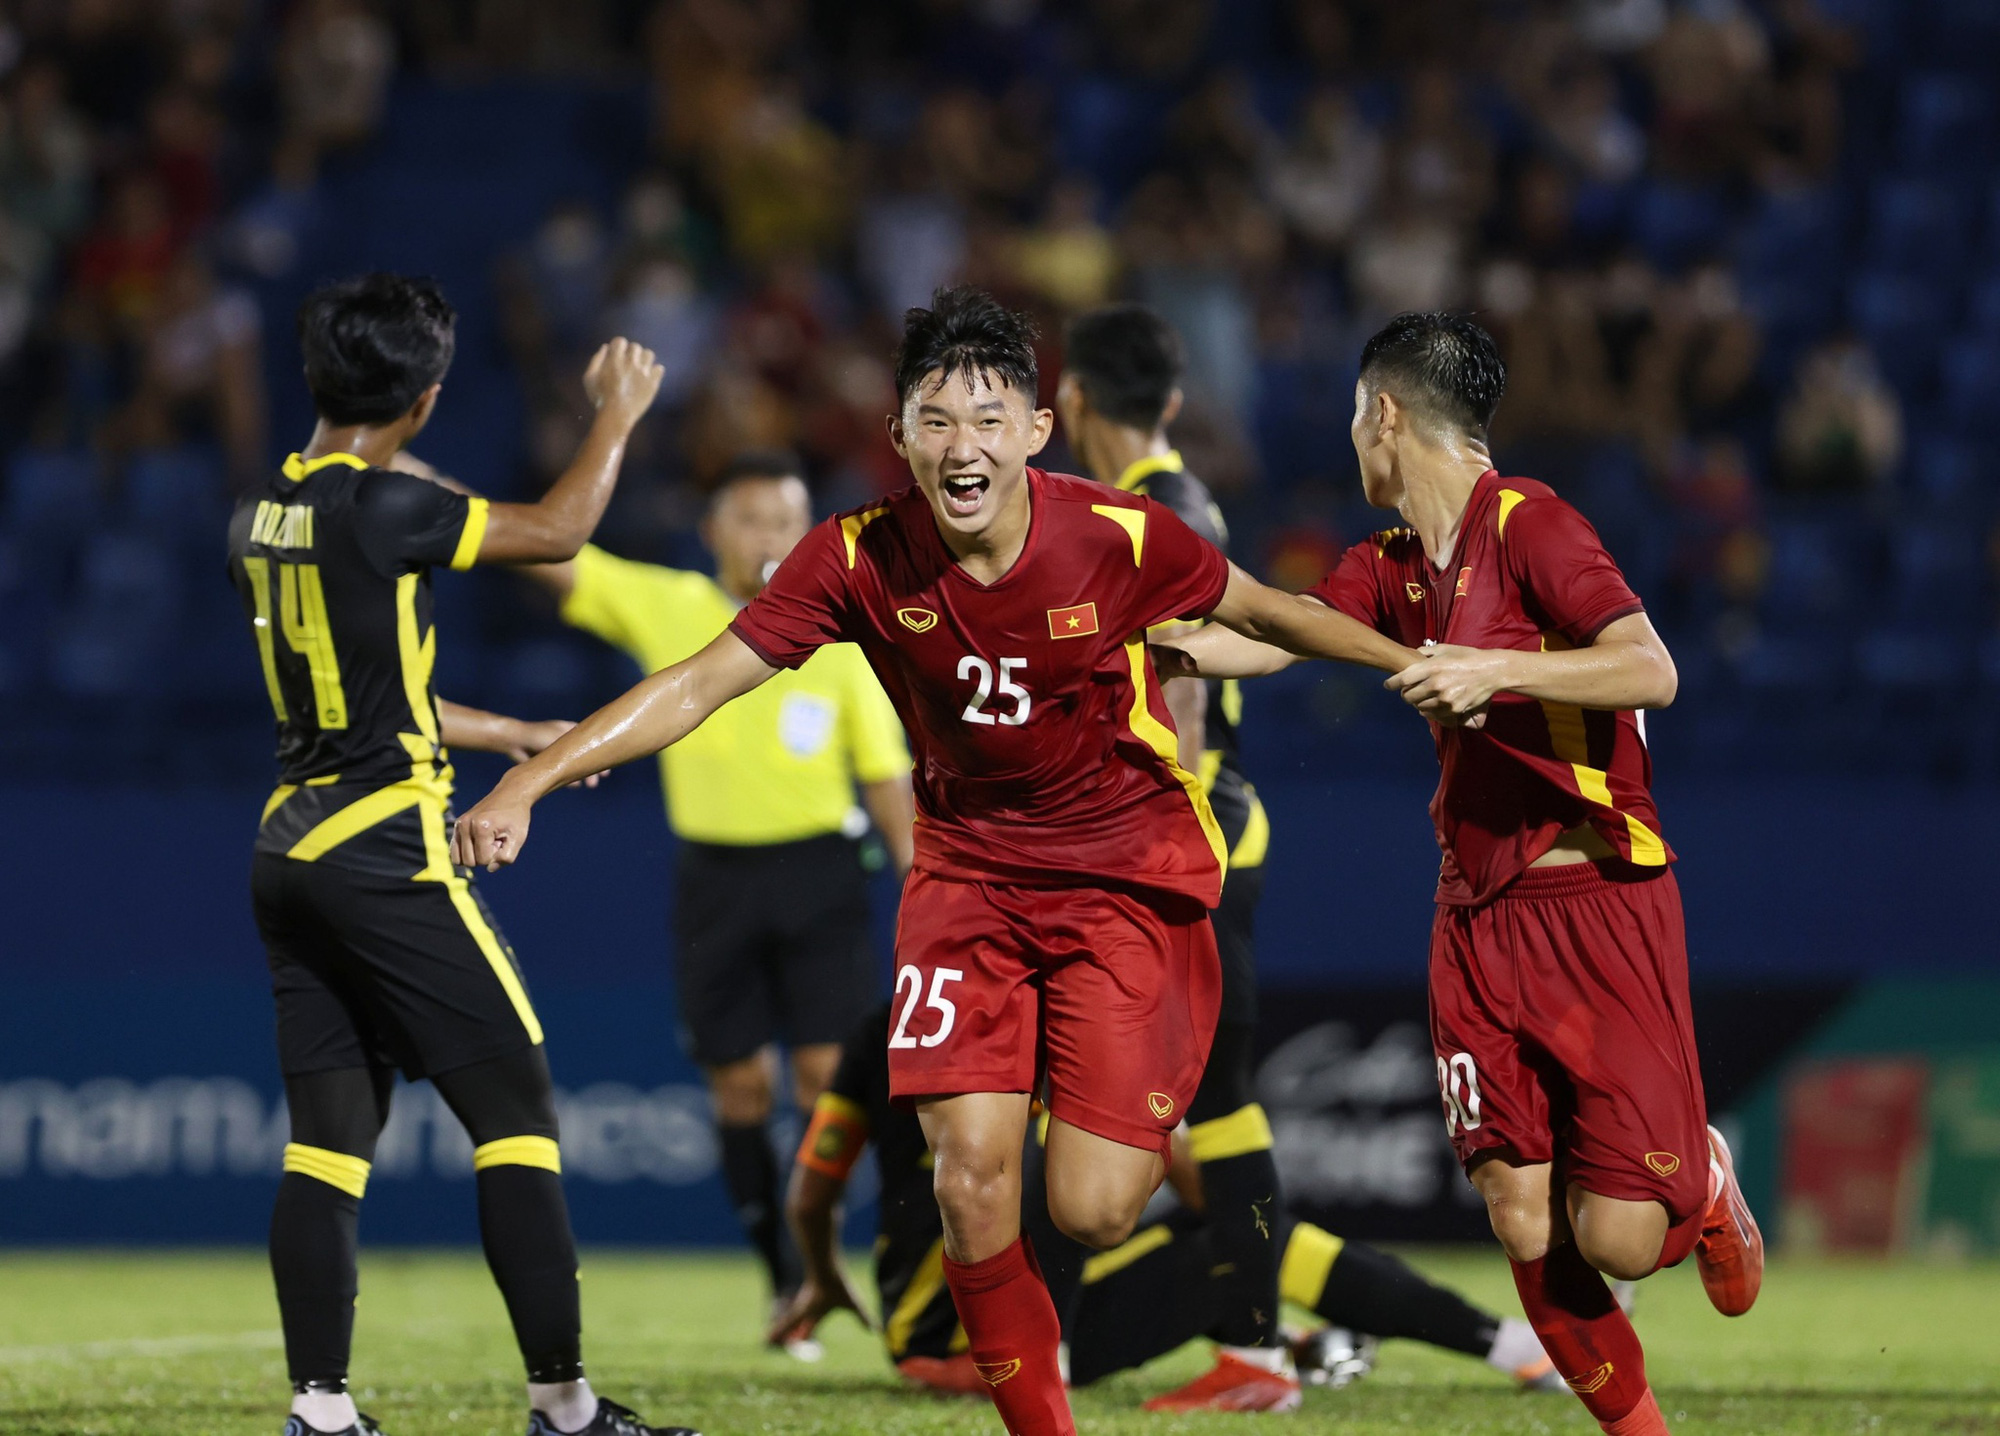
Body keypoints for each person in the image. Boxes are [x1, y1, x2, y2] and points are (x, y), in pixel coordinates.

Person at [450, 285, 1420, 1436]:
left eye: (986, 417)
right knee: (966, 1179)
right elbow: (698, 681)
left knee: (1099, 1207)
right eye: (935, 420)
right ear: (900, 434)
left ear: (1033, 430)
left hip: (1123, 877)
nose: (962, 446)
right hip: (964, 878)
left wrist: (1423, 664)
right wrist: (529, 773)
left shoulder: (1117, 535)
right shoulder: (858, 554)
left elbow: (1270, 615)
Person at [1156, 311, 1764, 1436]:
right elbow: (1276, 633)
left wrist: (1494, 665)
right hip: (1473, 915)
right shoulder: (1383, 567)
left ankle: (1707, 1181)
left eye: (1353, 416)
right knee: (1517, 1208)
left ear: (1382, 414)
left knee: (1620, 1237)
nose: (1351, 441)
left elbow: (1650, 667)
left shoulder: (1530, 523)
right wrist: (1150, 634)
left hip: (1597, 900)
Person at [228, 272, 696, 1436]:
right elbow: (560, 530)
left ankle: (320, 1411)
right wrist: (620, 412)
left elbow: (377, 692)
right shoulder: (385, 507)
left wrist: (518, 732)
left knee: (330, 1142)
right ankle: (565, 1407)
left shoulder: (257, 514)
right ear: (426, 399)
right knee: (517, 1108)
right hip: (384, 843)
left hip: (289, 845)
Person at [519, 450, 914, 1343]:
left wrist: (923, 882)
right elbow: (547, 554)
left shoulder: (841, 630)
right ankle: (787, 1283)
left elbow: (887, 778)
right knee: (740, 1088)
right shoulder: (671, 607)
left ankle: (845, 1261)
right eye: (751, 519)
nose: (771, 536)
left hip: (820, 877)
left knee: (826, 1080)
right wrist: (422, 485)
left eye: (787, 518)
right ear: (714, 533)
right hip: (716, 882)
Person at [770, 1001, 1568, 1398]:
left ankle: (1289, 1343)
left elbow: (812, 1193)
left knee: (1222, 1243)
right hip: (980, 1344)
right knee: (1244, 1240)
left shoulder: (887, 1023)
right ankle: (1511, 1347)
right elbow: (1196, 1182)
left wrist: (822, 1277)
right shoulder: (1067, 1017)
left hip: (925, 1328)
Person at [1053, 302, 1293, 1411]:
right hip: (1215, 826)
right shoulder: (1180, 498)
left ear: (1070, 402)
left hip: (1176, 835)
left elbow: (1179, 696)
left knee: (1204, 1101)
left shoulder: (1145, 510)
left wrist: (1147, 844)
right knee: (1220, 1101)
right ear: (1176, 401)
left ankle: (1258, 1344)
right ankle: (1257, 1344)